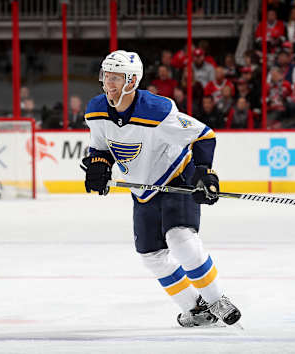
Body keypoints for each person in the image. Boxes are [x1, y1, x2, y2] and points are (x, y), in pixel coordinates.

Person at [81, 50, 242, 328]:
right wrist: (98, 164)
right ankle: (196, 308)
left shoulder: (157, 110)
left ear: (132, 81)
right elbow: (101, 147)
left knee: (180, 240)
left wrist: (205, 173)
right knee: (150, 255)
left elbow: (204, 135)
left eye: (116, 78)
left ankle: (217, 299)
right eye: (106, 77)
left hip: (175, 178)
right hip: (143, 191)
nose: (109, 84)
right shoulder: (96, 111)